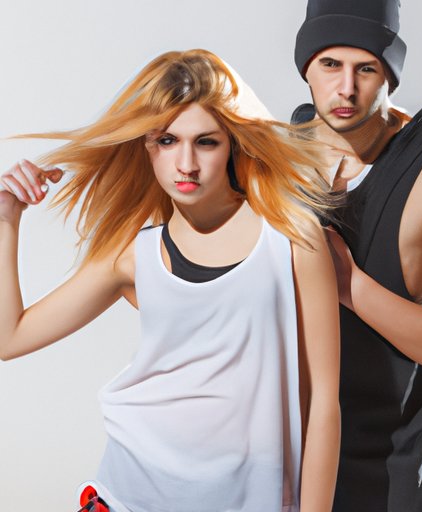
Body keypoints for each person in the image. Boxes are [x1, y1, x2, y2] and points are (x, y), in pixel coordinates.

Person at [0, 49, 341, 512]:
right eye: (167, 141)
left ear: (233, 144)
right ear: (147, 146)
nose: (186, 163)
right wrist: (7, 219)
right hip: (127, 493)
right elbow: (10, 337)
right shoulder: (134, 254)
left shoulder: (292, 239)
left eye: (206, 142)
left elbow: (323, 402)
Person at [292, 1, 422, 511]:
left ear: (390, 72)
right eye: (330, 64)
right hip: (287, 461)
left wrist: (349, 285)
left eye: (366, 68)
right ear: (306, 67)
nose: (346, 88)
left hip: (389, 474)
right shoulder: (275, 159)